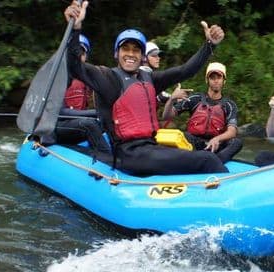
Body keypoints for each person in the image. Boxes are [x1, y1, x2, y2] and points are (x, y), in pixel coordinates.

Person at [63, 0, 228, 175]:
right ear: (116, 54)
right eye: (125, 49)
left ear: (142, 57)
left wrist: (209, 45)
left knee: (203, 158)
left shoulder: (150, 78)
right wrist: (75, 29)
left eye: (136, 50)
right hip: (129, 155)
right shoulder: (107, 78)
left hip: (152, 148)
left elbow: (185, 71)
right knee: (208, 160)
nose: (130, 54)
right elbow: (75, 66)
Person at [161, 62, 243, 163]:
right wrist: (172, 99)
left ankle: (217, 161)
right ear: (207, 80)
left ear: (223, 81)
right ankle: (193, 158)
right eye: (212, 78)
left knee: (236, 142)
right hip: (195, 142)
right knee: (182, 135)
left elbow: (232, 131)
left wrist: (217, 139)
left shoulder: (229, 105)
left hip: (215, 146)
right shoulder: (195, 99)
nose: (216, 81)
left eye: (219, 77)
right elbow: (166, 116)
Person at [46, 34, 111, 156]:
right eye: (73, 52)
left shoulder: (89, 77)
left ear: (85, 56)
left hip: (77, 125)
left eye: (81, 52)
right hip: (56, 127)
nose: (77, 55)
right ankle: (107, 158)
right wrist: (95, 113)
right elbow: (61, 112)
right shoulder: (56, 76)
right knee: (89, 124)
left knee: (106, 122)